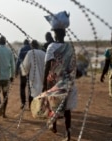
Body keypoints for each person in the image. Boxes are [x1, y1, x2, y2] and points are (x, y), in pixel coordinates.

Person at [37, 11, 77, 141]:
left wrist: (44, 84)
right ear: (65, 33)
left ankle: (54, 126)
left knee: (53, 105)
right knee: (67, 110)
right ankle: (68, 133)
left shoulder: (51, 47)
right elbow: (72, 66)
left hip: (54, 81)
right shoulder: (70, 47)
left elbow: (47, 66)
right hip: (66, 81)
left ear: (54, 33)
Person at [20, 40, 46, 108]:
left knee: (32, 92)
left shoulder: (30, 53)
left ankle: (32, 107)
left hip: (33, 75)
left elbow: (25, 66)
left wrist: (24, 72)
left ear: (31, 46)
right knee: (42, 90)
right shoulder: (44, 53)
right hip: (42, 75)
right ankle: (41, 107)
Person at [15, 39, 31, 109]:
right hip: (31, 69)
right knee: (31, 87)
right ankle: (31, 104)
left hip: (23, 69)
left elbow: (18, 60)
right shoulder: (31, 48)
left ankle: (23, 103)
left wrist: (16, 70)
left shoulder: (21, 49)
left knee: (22, 87)